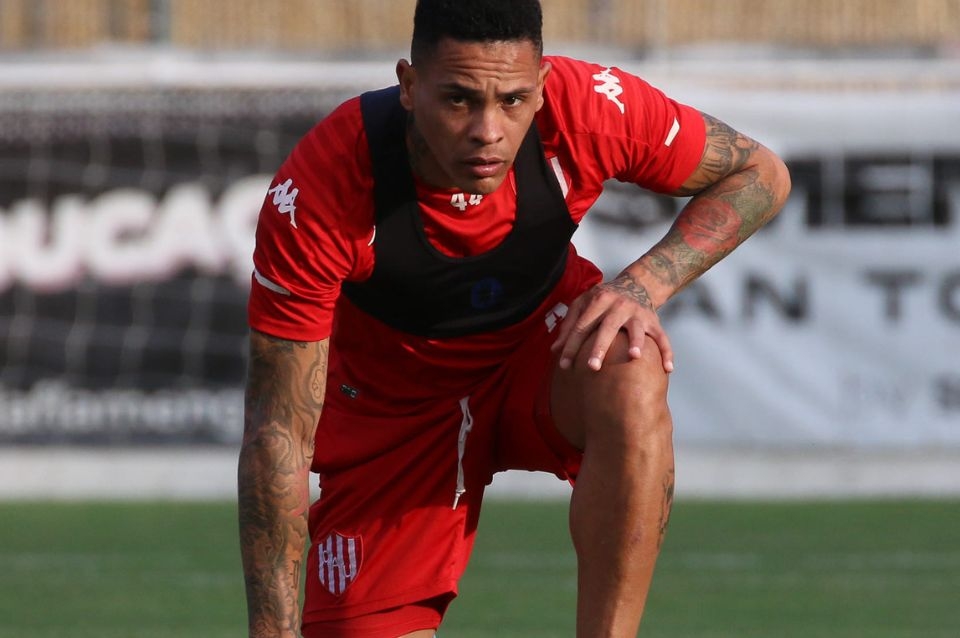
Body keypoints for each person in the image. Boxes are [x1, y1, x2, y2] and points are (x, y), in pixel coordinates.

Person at [238, 0, 790, 636]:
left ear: (543, 87)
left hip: (541, 354)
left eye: (512, 101)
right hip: (396, 412)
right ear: (409, 86)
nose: (487, 130)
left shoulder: (588, 108)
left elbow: (761, 173)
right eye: (458, 99)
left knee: (629, 360)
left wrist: (644, 285)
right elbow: (278, 435)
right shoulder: (323, 186)